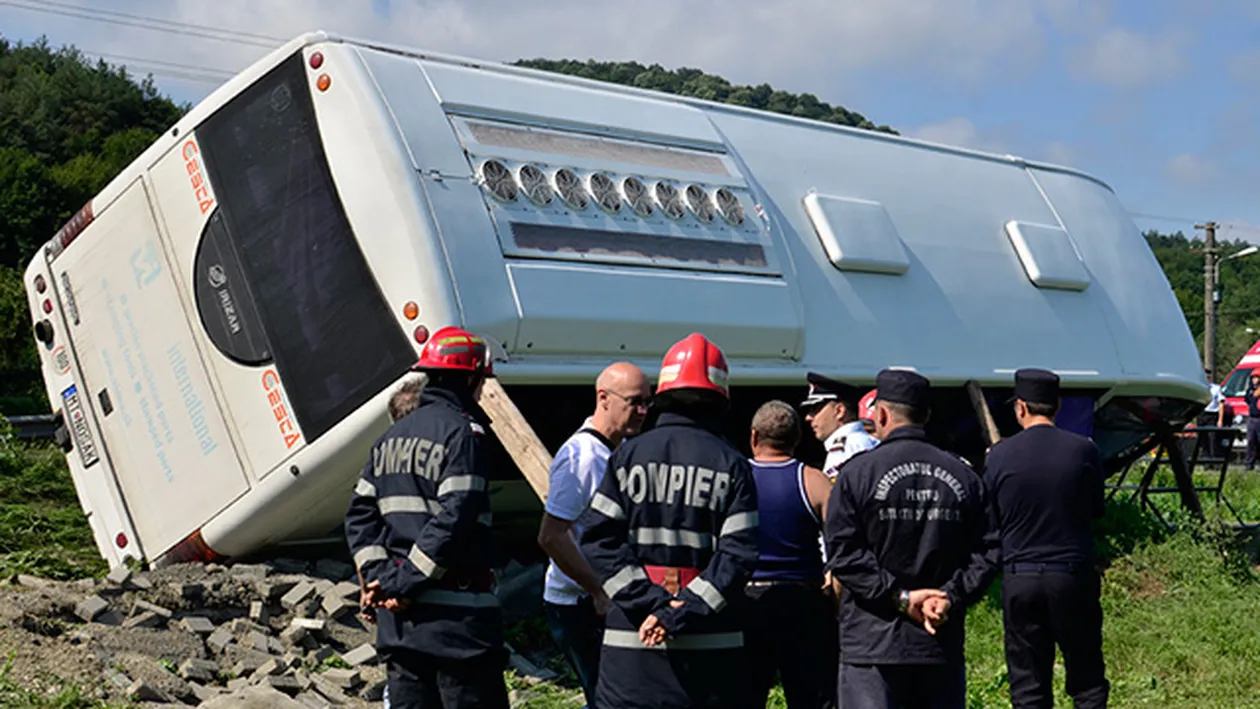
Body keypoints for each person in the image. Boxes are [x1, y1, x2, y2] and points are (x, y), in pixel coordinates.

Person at [576, 332, 760, 709]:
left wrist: (650, 603)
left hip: (633, 649)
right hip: (712, 656)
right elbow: (739, 554)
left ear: (664, 393)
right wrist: (686, 608)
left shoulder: (627, 458)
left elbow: (597, 539)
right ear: (720, 398)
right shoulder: (732, 465)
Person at [344, 326, 508, 709]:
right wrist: (403, 583)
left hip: (401, 630)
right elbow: (456, 519)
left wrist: (382, 580)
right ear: (470, 378)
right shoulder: (463, 435)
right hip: (458, 627)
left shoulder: (388, 439)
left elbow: (359, 518)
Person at [824, 369, 1000, 709]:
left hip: (870, 648)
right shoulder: (964, 476)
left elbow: (843, 554)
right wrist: (950, 596)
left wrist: (900, 597)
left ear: (882, 414)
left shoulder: (855, 474)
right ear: (927, 416)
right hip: (937, 641)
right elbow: (989, 550)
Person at [986, 368, 1109, 708]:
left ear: (1020, 407)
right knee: (1086, 677)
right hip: (1071, 573)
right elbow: (1096, 510)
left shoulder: (999, 455)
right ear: (1057, 407)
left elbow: (991, 519)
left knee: (1027, 682)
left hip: (1020, 575)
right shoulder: (1083, 450)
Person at [537, 362, 652, 707]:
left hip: (595, 600)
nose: (643, 411)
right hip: (578, 604)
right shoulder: (584, 457)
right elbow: (551, 535)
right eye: (634, 402)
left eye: (648, 401)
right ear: (603, 398)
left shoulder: (611, 451)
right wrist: (597, 589)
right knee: (610, 697)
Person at [743, 400, 836, 709]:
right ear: (797, 438)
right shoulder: (814, 481)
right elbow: (844, 546)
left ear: (754, 437)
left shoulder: (736, 478)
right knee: (812, 699)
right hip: (804, 605)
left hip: (747, 603)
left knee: (745, 695)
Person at [801, 372, 879, 480]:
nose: (808, 417)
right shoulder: (867, 441)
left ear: (839, 411)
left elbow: (834, 494)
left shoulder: (846, 448)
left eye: (815, 409)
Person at [1245, 371, 1260, 470]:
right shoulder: (1250, 389)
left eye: (1257, 378)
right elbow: (1248, 399)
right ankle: (1249, 464)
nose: (1255, 380)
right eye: (1253, 378)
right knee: (1251, 441)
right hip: (1252, 418)